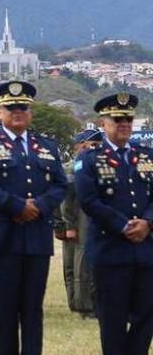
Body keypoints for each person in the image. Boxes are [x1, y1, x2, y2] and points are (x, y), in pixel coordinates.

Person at [0, 81, 67, 355]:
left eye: (23, 107)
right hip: (3, 236)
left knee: (32, 308)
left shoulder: (46, 147)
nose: (18, 113)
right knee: (5, 307)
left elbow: (60, 185)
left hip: (36, 237)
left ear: (30, 111)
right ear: (0, 111)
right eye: (11, 108)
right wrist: (16, 206)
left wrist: (38, 206)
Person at [74, 93, 153, 355]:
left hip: (146, 245)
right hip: (111, 245)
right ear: (103, 122)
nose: (124, 124)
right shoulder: (90, 159)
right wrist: (123, 226)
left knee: (147, 310)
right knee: (113, 314)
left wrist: (147, 222)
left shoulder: (146, 156)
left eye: (128, 119)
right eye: (117, 119)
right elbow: (89, 200)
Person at [59, 129, 101, 319]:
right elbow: (67, 199)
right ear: (78, 145)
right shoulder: (71, 167)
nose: (94, 147)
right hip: (77, 217)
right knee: (78, 264)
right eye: (90, 144)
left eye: (97, 144)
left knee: (86, 263)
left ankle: (86, 302)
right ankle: (82, 305)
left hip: (92, 217)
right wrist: (68, 224)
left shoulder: (97, 165)